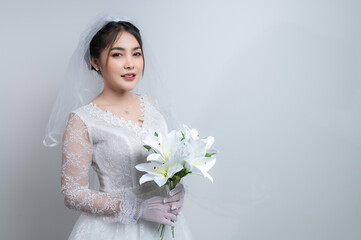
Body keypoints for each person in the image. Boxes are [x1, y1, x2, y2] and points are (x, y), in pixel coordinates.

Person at [43, 13, 192, 240]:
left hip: (164, 224)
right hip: (116, 230)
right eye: (117, 54)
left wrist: (176, 189)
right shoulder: (83, 120)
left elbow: (168, 158)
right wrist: (137, 209)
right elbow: (72, 193)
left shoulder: (151, 104)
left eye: (136, 54)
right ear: (95, 61)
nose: (130, 63)